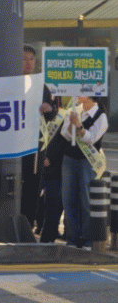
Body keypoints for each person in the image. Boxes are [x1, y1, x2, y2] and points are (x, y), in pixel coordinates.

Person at [59, 95, 107, 249]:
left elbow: (91, 139)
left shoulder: (100, 115)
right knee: (68, 200)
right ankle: (72, 238)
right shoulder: (74, 111)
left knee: (86, 200)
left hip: (87, 162)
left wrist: (79, 126)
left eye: (82, 90)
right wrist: (70, 126)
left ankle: (86, 239)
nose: (78, 93)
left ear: (92, 95)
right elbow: (65, 135)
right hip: (69, 159)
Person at [20, 44, 59, 229]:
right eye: (24, 59)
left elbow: (53, 112)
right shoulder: (9, 82)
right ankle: (13, 218)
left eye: (31, 59)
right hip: (13, 143)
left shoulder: (40, 85)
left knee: (33, 184)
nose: (29, 63)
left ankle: (27, 222)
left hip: (36, 144)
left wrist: (49, 108)